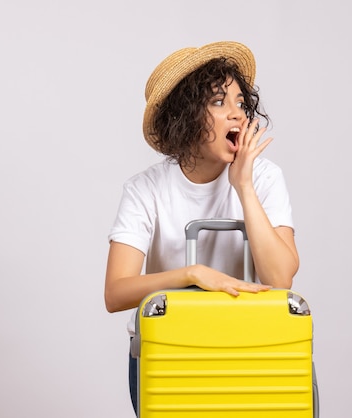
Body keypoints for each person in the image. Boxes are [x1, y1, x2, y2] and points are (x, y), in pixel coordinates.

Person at [103, 41, 300, 415]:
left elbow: (280, 278)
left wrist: (243, 186)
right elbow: (116, 292)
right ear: (185, 116)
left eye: (241, 103)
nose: (237, 115)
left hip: (252, 347)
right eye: (218, 102)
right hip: (171, 350)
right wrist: (193, 275)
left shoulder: (265, 179)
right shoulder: (146, 189)